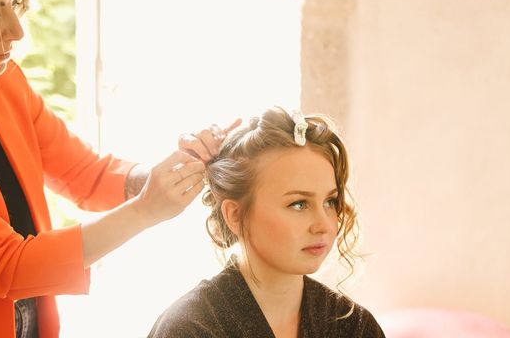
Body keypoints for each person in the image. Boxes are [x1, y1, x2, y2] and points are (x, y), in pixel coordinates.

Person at [0, 0, 237, 338]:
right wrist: (146, 209)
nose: (17, 31)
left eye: (14, 5)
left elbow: (84, 173)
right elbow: (6, 264)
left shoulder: (2, 83)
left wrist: (162, 174)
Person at [148, 107, 386, 338]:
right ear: (235, 214)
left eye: (330, 201)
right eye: (299, 204)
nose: (324, 225)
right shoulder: (189, 329)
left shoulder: (355, 327)